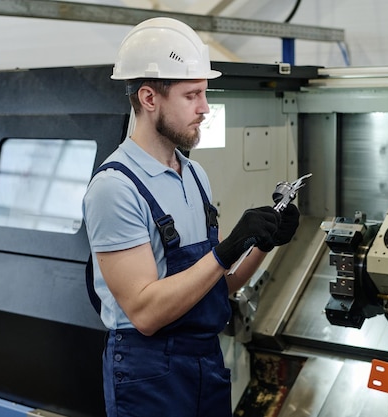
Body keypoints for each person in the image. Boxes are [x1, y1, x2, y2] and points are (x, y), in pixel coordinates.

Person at [82, 17, 300, 417]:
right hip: (149, 374)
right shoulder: (116, 188)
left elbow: (220, 286)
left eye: (205, 93)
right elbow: (146, 313)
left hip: (205, 362)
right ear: (149, 98)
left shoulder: (194, 175)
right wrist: (228, 247)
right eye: (192, 95)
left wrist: (263, 243)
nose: (205, 108)